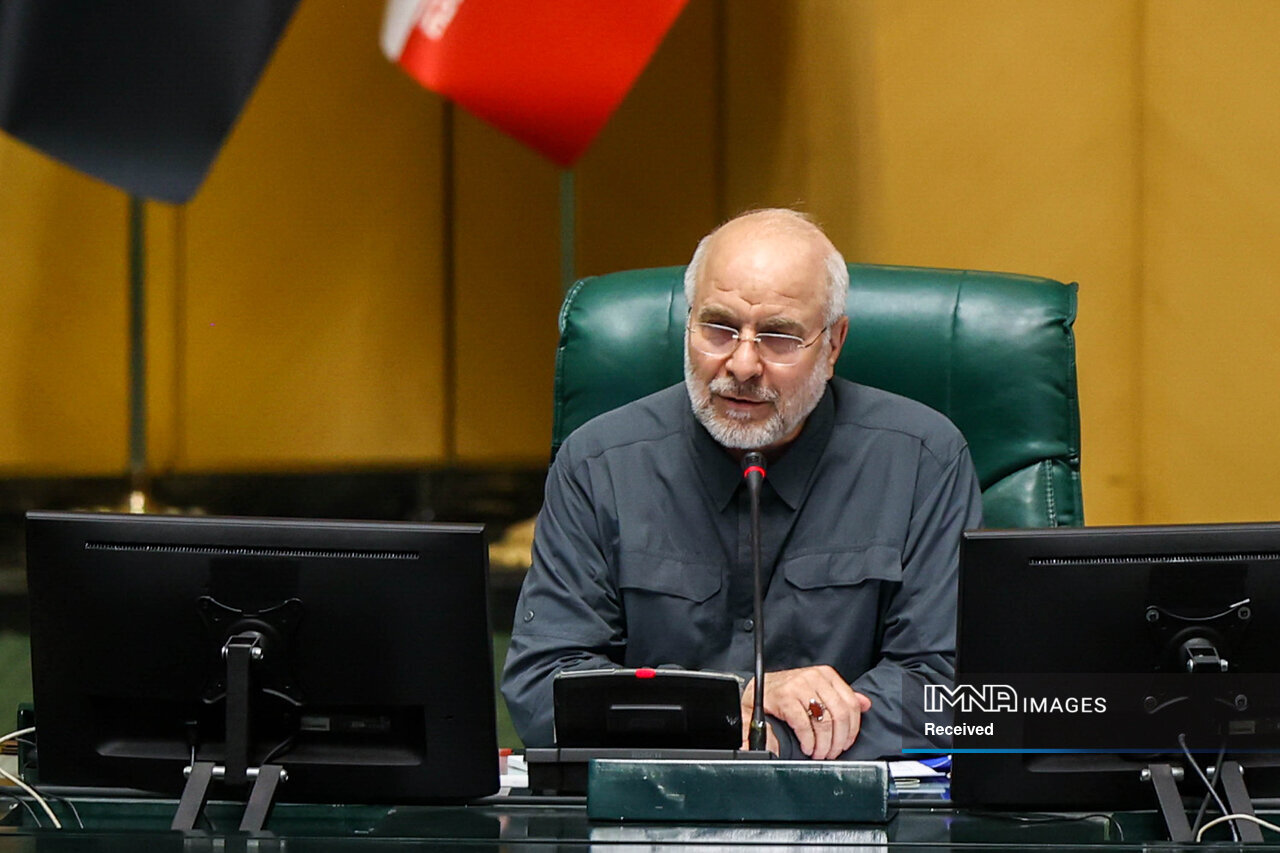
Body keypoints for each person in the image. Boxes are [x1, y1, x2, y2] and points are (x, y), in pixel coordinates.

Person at [501, 208, 983, 759]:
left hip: (854, 802)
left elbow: (948, 691)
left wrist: (774, 738)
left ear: (833, 344)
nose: (744, 363)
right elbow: (543, 688)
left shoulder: (923, 460)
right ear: (688, 323)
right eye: (718, 328)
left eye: (778, 336)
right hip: (655, 805)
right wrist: (732, 705)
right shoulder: (599, 463)